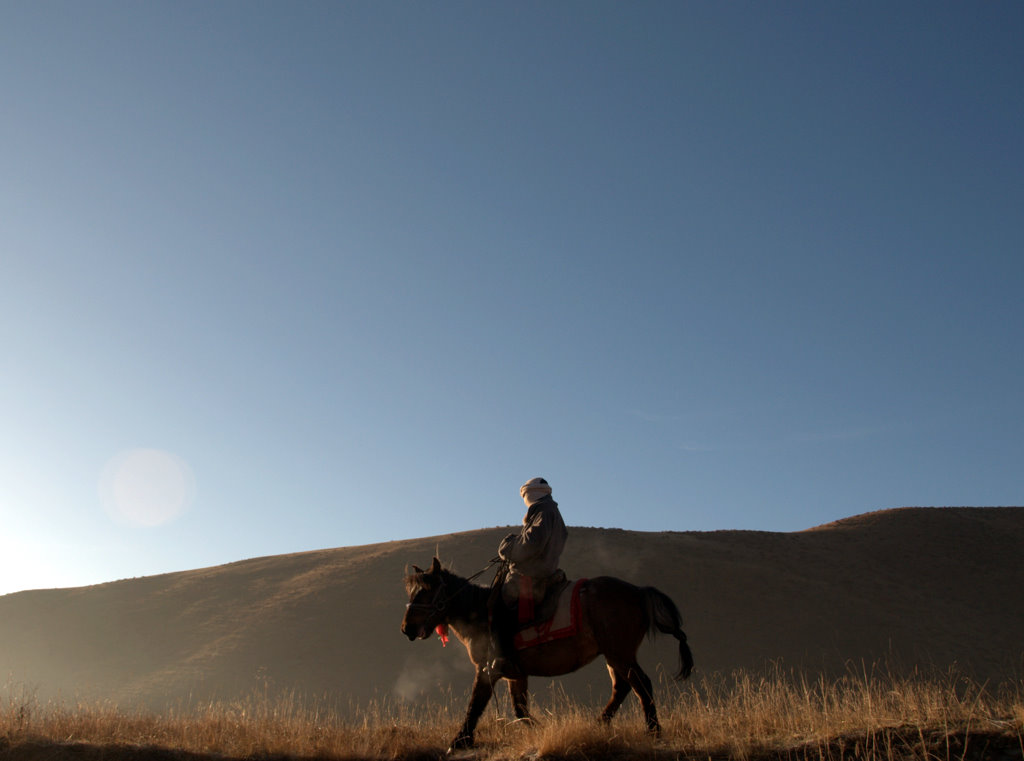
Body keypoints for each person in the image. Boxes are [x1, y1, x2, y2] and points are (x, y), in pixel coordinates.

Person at [486, 477, 569, 678]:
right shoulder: (551, 512)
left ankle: (503, 660)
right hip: (546, 573)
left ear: (530, 494)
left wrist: (508, 547)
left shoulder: (543, 512)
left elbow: (531, 544)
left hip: (533, 576)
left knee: (497, 608)